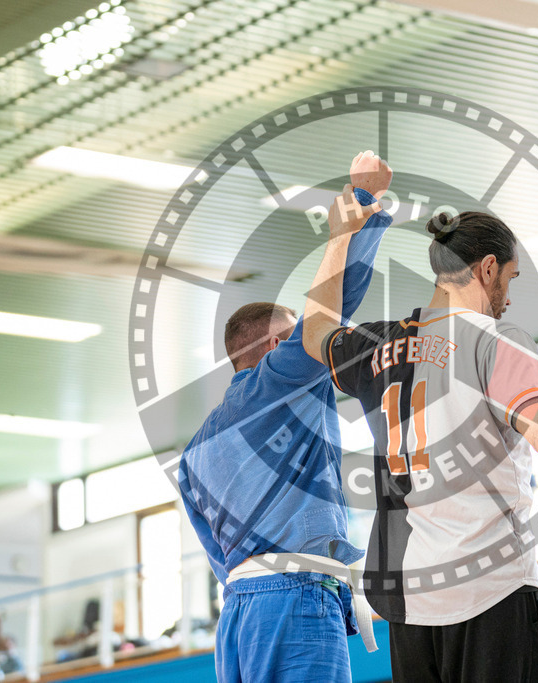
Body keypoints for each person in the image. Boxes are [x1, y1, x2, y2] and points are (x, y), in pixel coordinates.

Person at [302, 198, 538, 682]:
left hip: (410, 602)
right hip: (491, 589)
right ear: (487, 268)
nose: (508, 298)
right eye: (510, 279)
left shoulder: (378, 346)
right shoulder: (495, 339)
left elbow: (315, 330)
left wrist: (340, 236)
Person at [177, 152, 392, 682]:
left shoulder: (193, 454)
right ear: (277, 348)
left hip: (238, 617)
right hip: (295, 600)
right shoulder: (278, 380)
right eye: (300, 339)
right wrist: (362, 204)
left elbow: (219, 557)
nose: (320, 349)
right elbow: (329, 313)